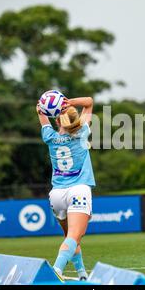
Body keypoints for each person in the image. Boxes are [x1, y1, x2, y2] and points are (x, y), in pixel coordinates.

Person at [36, 96, 95, 280]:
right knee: (74, 236)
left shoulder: (50, 137)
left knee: (71, 236)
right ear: (76, 119)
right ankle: (56, 270)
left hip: (56, 195)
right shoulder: (83, 132)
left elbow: (40, 110)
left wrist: (44, 107)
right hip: (78, 191)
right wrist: (69, 102)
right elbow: (89, 102)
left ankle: (82, 274)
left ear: (57, 120)